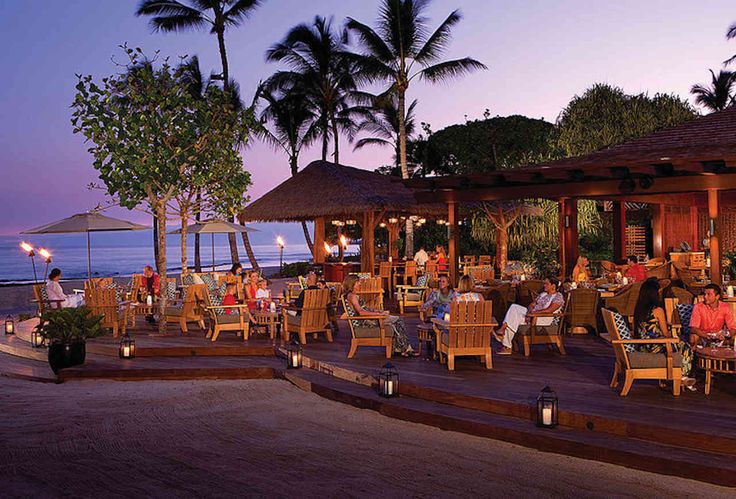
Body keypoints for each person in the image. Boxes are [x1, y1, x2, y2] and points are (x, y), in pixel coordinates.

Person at [633, 278, 695, 389]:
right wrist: (674, 334)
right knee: (685, 346)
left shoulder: (638, 309)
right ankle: (682, 376)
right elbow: (665, 333)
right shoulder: (657, 310)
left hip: (642, 345)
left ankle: (673, 376)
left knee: (679, 343)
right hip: (655, 345)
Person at [343, 274, 415, 356]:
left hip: (369, 318)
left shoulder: (351, 295)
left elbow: (365, 309)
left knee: (396, 320)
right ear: (352, 283)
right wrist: (377, 314)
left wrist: (380, 312)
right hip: (367, 321)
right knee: (398, 320)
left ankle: (399, 348)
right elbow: (361, 312)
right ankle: (405, 349)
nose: (360, 284)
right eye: (358, 282)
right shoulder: (352, 296)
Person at [495, 277, 564, 355]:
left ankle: (506, 344)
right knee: (514, 307)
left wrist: (534, 314)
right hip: (532, 315)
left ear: (553, 286)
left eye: (546, 284)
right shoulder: (543, 294)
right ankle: (504, 330)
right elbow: (532, 304)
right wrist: (529, 311)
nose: (544, 285)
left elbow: (549, 310)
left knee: (514, 317)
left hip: (543, 318)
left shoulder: (558, 296)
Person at [689, 284, 736, 348]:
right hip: (703, 335)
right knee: (692, 338)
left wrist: (725, 335)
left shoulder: (725, 307)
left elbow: (733, 328)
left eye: (709, 294)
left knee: (734, 338)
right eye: (704, 294)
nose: (705, 297)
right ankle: (694, 357)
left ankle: (728, 356)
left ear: (717, 296)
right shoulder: (698, 307)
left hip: (719, 335)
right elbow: (693, 328)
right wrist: (707, 336)